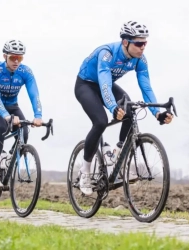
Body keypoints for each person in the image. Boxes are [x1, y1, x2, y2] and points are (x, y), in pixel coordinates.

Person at [74, 21, 174, 195]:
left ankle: (118, 155)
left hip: (106, 85)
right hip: (86, 85)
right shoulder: (107, 54)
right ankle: (85, 171)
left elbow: (146, 88)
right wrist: (113, 107)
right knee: (100, 121)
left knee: (130, 111)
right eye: (139, 43)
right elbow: (104, 83)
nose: (143, 47)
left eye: (145, 43)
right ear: (125, 42)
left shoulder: (140, 60)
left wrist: (157, 113)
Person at [0, 39, 43, 188]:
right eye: (12, 58)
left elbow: (34, 94)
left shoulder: (25, 72)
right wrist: (6, 116)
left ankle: (9, 158)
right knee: (0, 128)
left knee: (24, 132)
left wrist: (38, 115)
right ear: (5, 57)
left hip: (12, 105)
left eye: (20, 58)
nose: (16, 61)